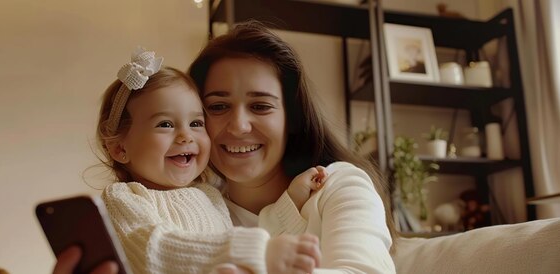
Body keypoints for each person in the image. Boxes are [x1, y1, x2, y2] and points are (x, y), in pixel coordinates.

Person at [53, 48, 325, 274]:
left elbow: (262, 231)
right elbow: (151, 249)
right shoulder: (126, 197)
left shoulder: (210, 195)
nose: (186, 136)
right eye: (165, 124)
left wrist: (293, 200)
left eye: (196, 122)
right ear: (120, 149)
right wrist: (256, 252)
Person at [188, 21, 397, 273]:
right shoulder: (194, 212)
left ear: (292, 119)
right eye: (218, 106)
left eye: (260, 106)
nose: (238, 126)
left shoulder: (338, 185)